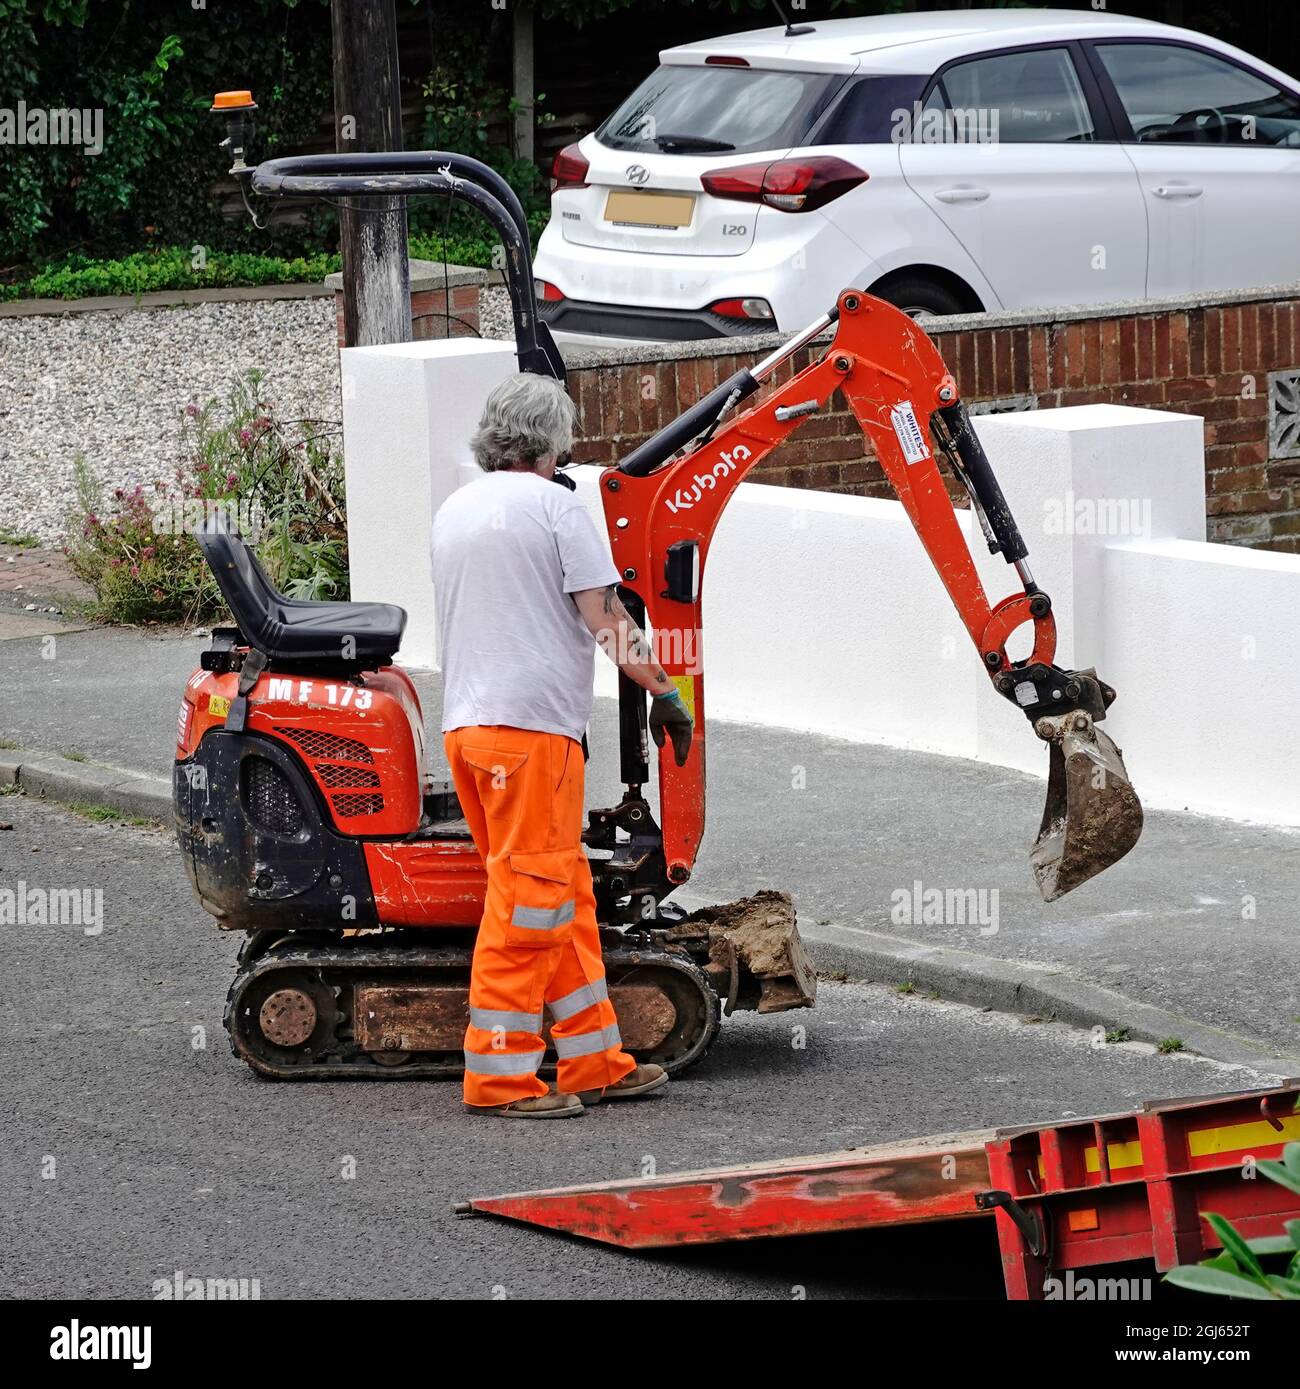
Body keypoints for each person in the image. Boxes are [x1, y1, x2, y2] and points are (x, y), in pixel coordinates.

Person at [432, 372, 694, 1118]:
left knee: (562, 897)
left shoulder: (457, 508)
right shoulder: (556, 507)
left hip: (471, 732)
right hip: (533, 738)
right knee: (528, 906)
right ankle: (502, 1077)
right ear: (552, 444)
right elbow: (603, 613)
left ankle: (593, 1060)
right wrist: (663, 689)